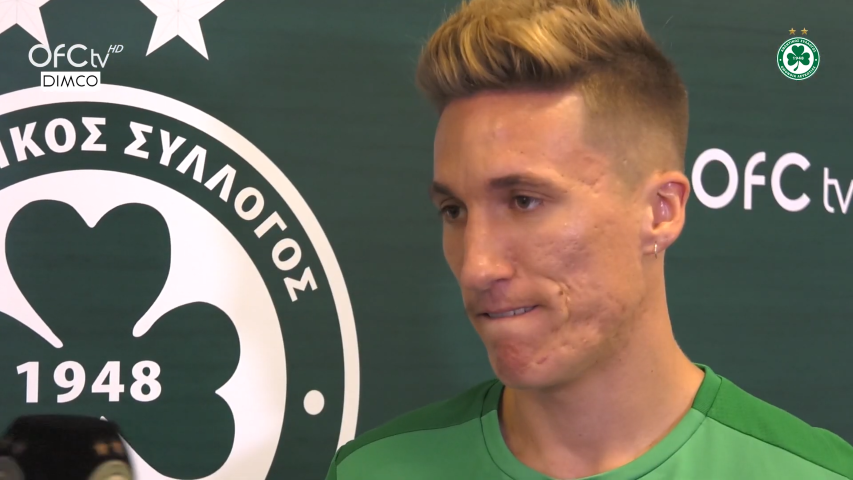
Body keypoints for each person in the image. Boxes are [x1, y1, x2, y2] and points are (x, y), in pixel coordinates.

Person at [325, 0, 853, 478]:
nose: (476, 266)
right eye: (454, 210)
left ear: (660, 211)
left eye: (524, 201)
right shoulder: (375, 471)